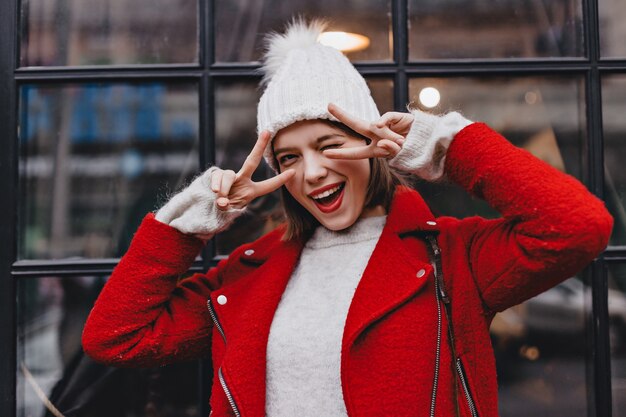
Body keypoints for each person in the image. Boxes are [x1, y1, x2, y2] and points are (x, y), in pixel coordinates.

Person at [82, 19, 613, 417]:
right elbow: (116, 336)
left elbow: (577, 226)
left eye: (329, 145)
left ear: (371, 145)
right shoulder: (249, 276)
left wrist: (445, 148)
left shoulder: (452, 259)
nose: (312, 172)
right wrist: (188, 223)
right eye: (289, 158)